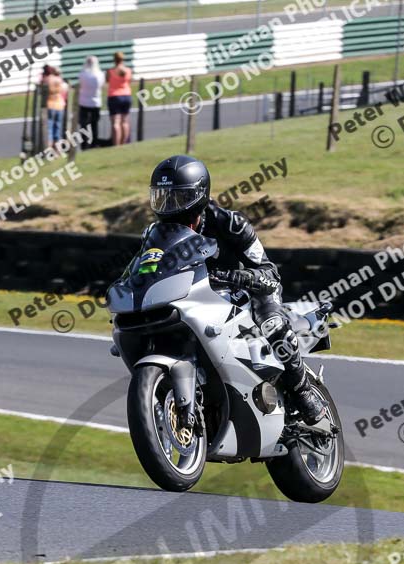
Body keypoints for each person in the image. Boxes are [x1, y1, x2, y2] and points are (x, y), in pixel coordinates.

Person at [144, 155, 327, 425]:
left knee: (273, 324)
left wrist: (235, 276)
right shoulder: (154, 234)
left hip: (247, 293)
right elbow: (146, 271)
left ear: (199, 195)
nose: (170, 208)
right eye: (163, 198)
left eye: (178, 199)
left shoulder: (230, 223)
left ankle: (302, 391)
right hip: (196, 298)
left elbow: (269, 272)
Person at [78, 55, 105, 148]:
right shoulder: (100, 74)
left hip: (84, 102)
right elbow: (101, 85)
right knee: (94, 124)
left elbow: (80, 84)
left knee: (84, 125)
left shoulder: (82, 74)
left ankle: (84, 145)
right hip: (95, 102)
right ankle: (94, 143)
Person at [107, 51, 132, 146]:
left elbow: (107, 80)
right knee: (125, 121)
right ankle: (124, 143)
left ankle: (116, 144)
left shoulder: (110, 71)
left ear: (114, 60)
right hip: (126, 95)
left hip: (114, 96)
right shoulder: (128, 70)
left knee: (115, 122)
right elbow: (129, 80)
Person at [44, 66, 66, 147]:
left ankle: (49, 147)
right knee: (58, 127)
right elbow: (64, 90)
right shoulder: (60, 80)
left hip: (50, 104)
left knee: (49, 128)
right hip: (60, 105)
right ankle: (57, 148)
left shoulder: (47, 79)